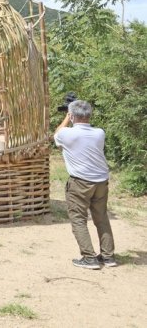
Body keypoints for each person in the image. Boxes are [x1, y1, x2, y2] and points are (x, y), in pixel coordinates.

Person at [53, 100, 117, 270]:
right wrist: (71, 115)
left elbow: (57, 133)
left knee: (78, 220)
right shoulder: (99, 133)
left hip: (80, 182)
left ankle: (89, 258)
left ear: (72, 116)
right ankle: (108, 256)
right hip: (101, 181)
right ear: (89, 115)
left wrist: (67, 117)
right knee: (101, 218)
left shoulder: (67, 134)